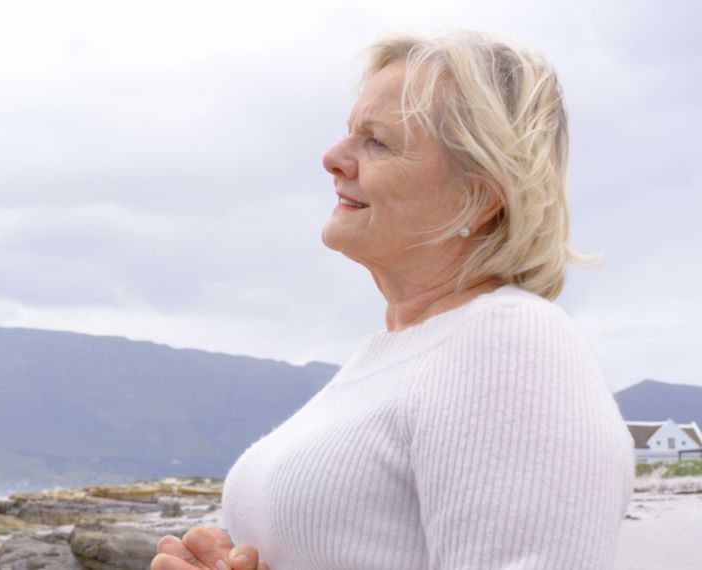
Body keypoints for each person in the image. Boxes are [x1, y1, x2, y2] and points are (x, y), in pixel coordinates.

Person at [151, 30, 635, 570]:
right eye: (349, 133)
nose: (332, 157)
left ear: (479, 194)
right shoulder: (396, 355)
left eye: (377, 141)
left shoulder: (510, 342)